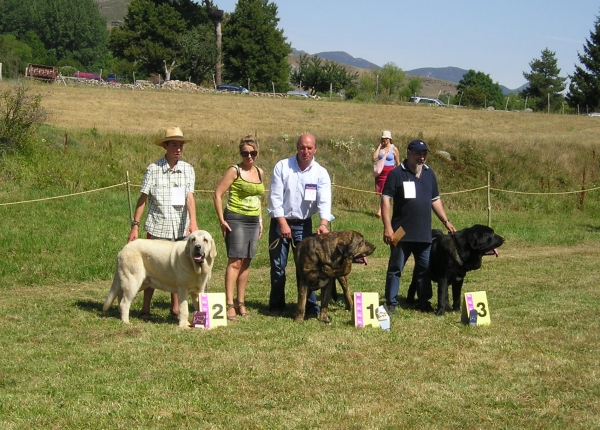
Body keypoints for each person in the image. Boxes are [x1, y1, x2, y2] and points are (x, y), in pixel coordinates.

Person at [129, 126, 199, 321]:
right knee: (151, 269)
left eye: (181, 145)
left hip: (181, 227)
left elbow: (189, 198)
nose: (178, 149)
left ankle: (176, 309)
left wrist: (193, 222)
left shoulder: (188, 170)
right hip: (157, 227)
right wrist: (135, 225)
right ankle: (145, 308)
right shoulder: (153, 169)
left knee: (181, 269)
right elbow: (142, 199)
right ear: (165, 147)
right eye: (174, 145)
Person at [380, 139, 456, 314]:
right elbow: (385, 199)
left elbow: (435, 200)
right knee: (395, 268)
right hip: (400, 231)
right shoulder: (397, 173)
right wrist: (387, 227)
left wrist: (446, 221)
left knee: (424, 269)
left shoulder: (429, 174)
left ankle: (423, 301)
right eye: (418, 154)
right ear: (408, 153)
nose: (422, 158)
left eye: (424, 154)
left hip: (424, 232)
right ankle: (391, 303)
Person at [267, 133, 334, 318]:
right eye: (302, 147)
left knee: (308, 268)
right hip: (280, 222)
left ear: (315, 149)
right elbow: (275, 197)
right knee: (278, 266)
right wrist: (282, 222)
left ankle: (309, 307)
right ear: (297, 147)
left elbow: (325, 200)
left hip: (305, 225)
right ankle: (276, 305)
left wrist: (323, 223)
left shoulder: (320, 173)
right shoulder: (282, 166)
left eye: (309, 148)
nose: (305, 151)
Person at [213, 135, 265, 322]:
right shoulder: (234, 170)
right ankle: (228, 304)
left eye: (252, 153)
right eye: (245, 153)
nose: (248, 156)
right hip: (235, 218)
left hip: (253, 220)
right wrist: (222, 220)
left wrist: (260, 220)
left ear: (257, 153)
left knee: (246, 262)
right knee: (235, 261)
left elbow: (258, 198)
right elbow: (218, 194)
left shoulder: (260, 172)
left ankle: (241, 302)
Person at [373, 130, 400, 218]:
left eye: (387, 138)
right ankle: (381, 210)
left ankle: (380, 211)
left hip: (389, 173)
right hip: (380, 173)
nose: (385, 140)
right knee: (380, 192)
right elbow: (374, 157)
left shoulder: (394, 149)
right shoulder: (381, 148)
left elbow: (398, 163)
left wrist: (398, 174)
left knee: (385, 191)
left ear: (390, 139)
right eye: (383, 138)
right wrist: (379, 145)